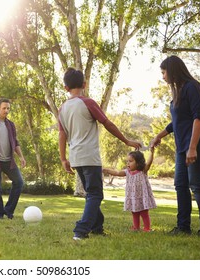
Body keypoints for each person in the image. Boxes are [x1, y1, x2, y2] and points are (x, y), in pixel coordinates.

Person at [58, 67, 142, 240]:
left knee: (91, 193)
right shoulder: (88, 102)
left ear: (65, 88)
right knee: (96, 194)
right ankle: (81, 230)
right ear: (84, 84)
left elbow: (62, 134)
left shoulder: (63, 108)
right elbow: (107, 123)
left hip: (75, 158)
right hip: (90, 157)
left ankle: (97, 227)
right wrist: (126, 141)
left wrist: (63, 158)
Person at [150, 55, 200, 235]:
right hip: (182, 145)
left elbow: (198, 117)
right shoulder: (179, 91)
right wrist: (158, 136)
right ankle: (183, 227)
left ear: (173, 70)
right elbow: (176, 121)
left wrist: (192, 147)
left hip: (198, 143)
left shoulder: (192, 87)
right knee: (180, 184)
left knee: (197, 185)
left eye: (164, 72)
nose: (163, 76)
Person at [103, 148, 157, 232]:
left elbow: (149, 163)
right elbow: (117, 173)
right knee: (134, 212)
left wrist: (151, 153)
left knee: (144, 213)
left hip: (142, 196)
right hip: (132, 196)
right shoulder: (127, 172)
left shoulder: (142, 171)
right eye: (127, 161)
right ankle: (136, 227)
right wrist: (107, 170)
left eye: (131, 161)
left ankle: (147, 228)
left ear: (138, 163)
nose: (128, 163)